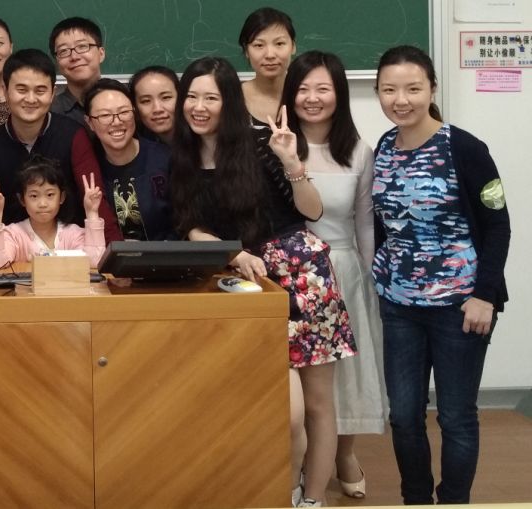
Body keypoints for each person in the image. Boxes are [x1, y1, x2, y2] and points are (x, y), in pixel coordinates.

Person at [167, 56, 355, 508]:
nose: (198, 107)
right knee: (285, 412)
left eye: (211, 97)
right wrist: (231, 252)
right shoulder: (182, 155)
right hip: (246, 282)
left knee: (317, 405)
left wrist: (291, 161)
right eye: (191, 96)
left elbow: (311, 210)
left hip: (302, 276)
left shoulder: (259, 144)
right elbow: (190, 225)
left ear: (229, 102)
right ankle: (285, 489)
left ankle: (311, 499)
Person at [372, 45, 510, 505]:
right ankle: (415, 500)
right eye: (389, 90)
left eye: (413, 88)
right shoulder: (384, 148)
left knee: (456, 417)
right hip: (400, 307)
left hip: (460, 306)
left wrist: (485, 295)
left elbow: (498, 224)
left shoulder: (465, 148)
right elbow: (384, 224)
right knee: (403, 415)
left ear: (432, 89)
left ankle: (453, 502)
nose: (401, 100)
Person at [283, 50, 387, 502]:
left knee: (347, 375)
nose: (312, 98)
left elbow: (365, 223)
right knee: (305, 386)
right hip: (292, 274)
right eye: (303, 88)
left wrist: (370, 279)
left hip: (343, 269)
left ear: (339, 94)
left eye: (322, 88)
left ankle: (345, 454)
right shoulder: (277, 144)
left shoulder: (359, 150)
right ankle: (304, 463)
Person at [0, 49, 122, 245]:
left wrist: (116, 252)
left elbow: (94, 196)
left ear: (52, 94)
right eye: (21, 90)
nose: (31, 99)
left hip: (70, 249)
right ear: (5, 91)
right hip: (14, 251)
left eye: (40, 90)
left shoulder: (73, 135)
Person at [83, 78, 175, 240]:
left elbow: (186, 221)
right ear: (90, 122)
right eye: (105, 115)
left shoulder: (165, 159)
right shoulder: (89, 167)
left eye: (124, 112)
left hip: (169, 253)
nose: (116, 122)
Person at [0, 156, 106, 268]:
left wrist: (92, 213)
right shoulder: (14, 234)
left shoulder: (73, 234)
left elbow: (95, 261)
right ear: (22, 199)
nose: (42, 204)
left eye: (50, 195)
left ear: (61, 197)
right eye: (34, 196)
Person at [239, 7, 296, 123]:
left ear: (293, 47)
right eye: (259, 45)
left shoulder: (307, 98)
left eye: (279, 43)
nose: (270, 55)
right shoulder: (232, 98)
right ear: (246, 51)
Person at [49, 16, 105, 124]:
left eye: (82, 46)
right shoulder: (49, 113)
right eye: (63, 51)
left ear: (101, 53)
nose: (74, 57)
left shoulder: (126, 101)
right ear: (57, 62)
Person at [128, 65, 180, 146]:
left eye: (166, 97)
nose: (157, 109)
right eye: (146, 101)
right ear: (135, 107)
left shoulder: (199, 137)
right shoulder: (134, 144)